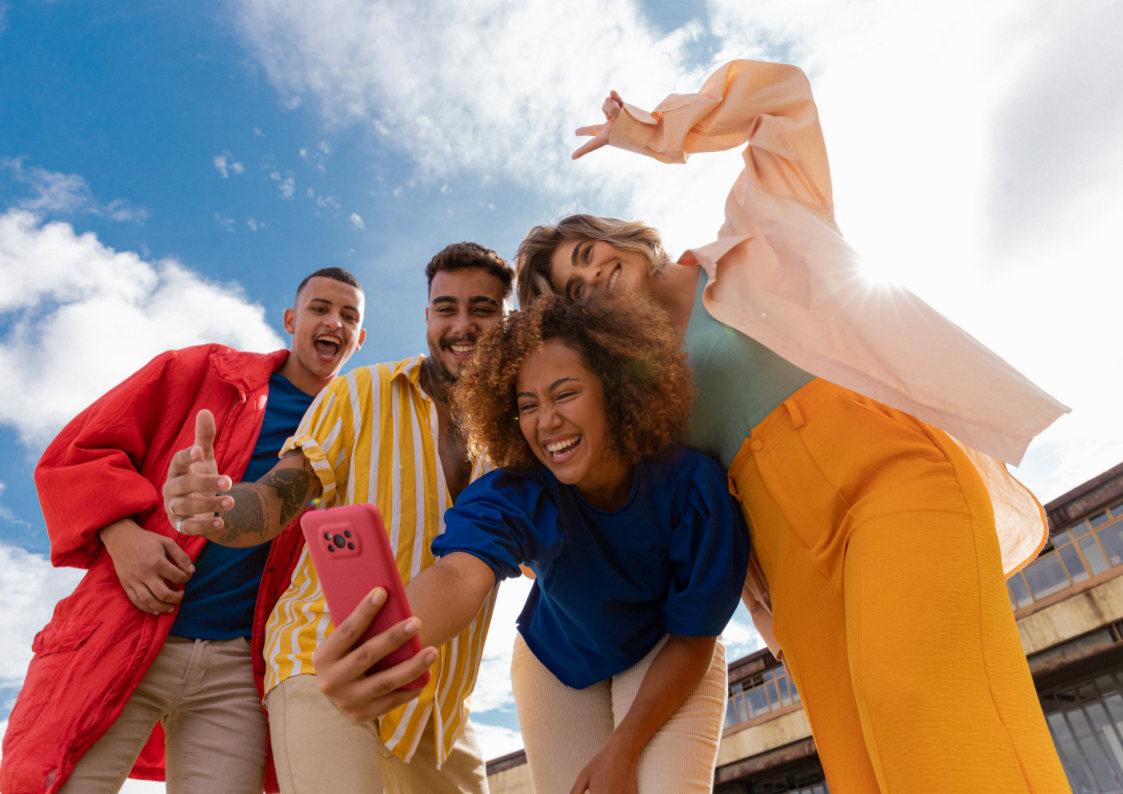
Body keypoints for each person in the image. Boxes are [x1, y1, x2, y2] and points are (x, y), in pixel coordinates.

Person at [513, 60, 1071, 791]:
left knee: (917, 695)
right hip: (786, 548)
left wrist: (656, 133)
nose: (591, 278)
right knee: (855, 753)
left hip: (891, 474)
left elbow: (782, 100)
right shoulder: (638, 397)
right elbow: (640, 492)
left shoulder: (758, 230)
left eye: (588, 256)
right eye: (574, 289)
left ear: (623, 240)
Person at [316, 294, 748, 794]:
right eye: (527, 405)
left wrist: (622, 749)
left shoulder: (693, 486)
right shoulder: (519, 489)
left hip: (668, 649)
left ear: (615, 388)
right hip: (557, 662)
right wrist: (380, 649)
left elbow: (694, 635)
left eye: (565, 394)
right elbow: (460, 573)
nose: (546, 422)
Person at [0, 268, 366, 794]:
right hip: (130, 626)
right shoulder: (201, 372)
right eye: (320, 308)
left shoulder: (351, 425)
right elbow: (76, 454)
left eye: (348, 316)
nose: (333, 322)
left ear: (360, 338)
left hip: (239, 670)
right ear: (291, 319)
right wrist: (122, 536)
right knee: (51, 782)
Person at [162, 242, 512, 793]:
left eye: (483, 309)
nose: (462, 325)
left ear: (508, 320)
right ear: (427, 317)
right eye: (446, 308)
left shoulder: (521, 437)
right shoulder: (360, 391)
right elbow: (280, 496)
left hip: (441, 708)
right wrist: (219, 511)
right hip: (322, 658)